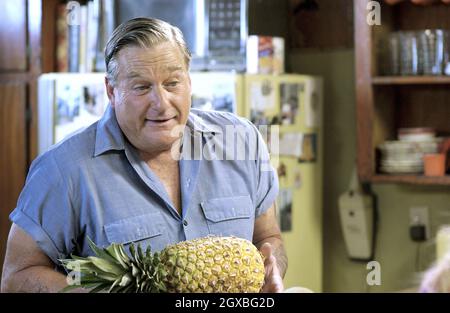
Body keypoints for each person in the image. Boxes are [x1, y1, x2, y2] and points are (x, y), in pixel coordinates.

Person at [1, 18, 286, 293]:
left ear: (189, 80)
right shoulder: (63, 170)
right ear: (111, 91)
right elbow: (17, 278)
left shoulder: (242, 141)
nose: (161, 104)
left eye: (172, 83)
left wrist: (273, 271)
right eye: (141, 87)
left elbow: (268, 237)